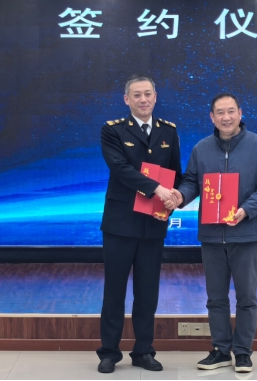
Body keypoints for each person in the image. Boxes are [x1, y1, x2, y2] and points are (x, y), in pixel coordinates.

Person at [167, 93, 257, 373]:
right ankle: (220, 350)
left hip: (246, 234)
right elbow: (191, 181)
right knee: (215, 298)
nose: (226, 117)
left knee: (246, 298)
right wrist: (180, 196)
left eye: (231, 111)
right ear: (212, 117)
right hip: (211, 236)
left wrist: (246, 210)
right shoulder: (202, 148)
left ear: (240, 113)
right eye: (220, 112)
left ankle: (242, 352)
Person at [97, 74, 182, 373]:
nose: (143, 99)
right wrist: (156, 189)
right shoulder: (112, 130)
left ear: (155, 97)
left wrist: (176, 196)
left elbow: (175, 173)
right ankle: (109, 352)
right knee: (115, 291)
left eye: (148, 94)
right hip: (120, 224)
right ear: (127, 99)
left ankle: (143, 351)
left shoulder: (169, 131)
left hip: (153, 224)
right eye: (137, 95)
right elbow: (120, 168)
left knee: (147, 292)